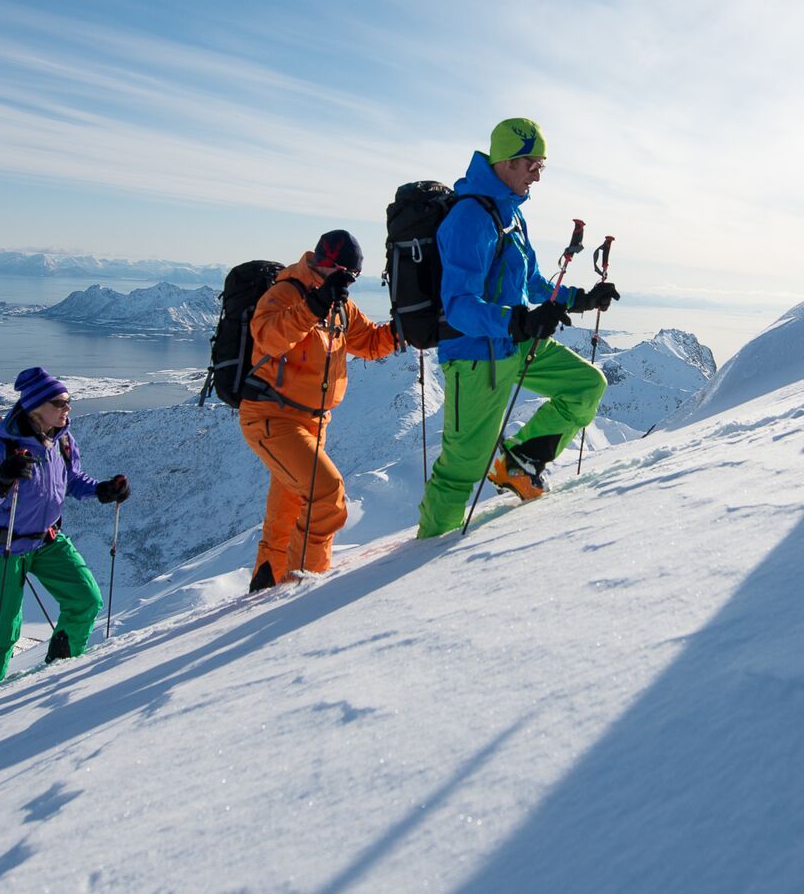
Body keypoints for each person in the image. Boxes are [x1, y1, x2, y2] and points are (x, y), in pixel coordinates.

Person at [416, 118, 620, 537]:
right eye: (532, 164)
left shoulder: (510, 213)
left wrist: (581, 299)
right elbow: (458, 306)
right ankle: (428, 549)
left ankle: (518, 463)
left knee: (586, 386)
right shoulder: (470, 217)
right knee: (463, 468)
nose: (538, 175)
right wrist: (519, 321)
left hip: (515, 342)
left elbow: (534, 283)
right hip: (476, 356)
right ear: (507, 160)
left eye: (541, 165)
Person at [240, 230, 399, 591]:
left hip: (313, 422)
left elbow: (369, 342)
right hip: (271, 417)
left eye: (354, 277)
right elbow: (268, 337)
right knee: (327, 495)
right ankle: (303, 587)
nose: (349, 282)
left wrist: (405, 331)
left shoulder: (340, 305)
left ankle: (267, 584)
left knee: (289, 513)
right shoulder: (285, 293)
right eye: (345, 273)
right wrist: (313, 306)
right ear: (327, 264)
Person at [0, 366, 130, 691]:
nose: (68, 408)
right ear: (36, 406)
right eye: (60, 402)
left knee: (86, 599)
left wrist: (102, 490)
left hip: (48, 540)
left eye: (68, 401)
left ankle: (58, 670)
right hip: (3, 548)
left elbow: (72, 479)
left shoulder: (61, 440)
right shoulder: (1, 448)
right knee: (3, 632)